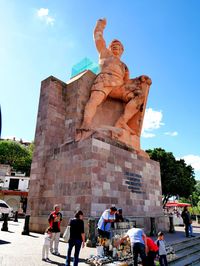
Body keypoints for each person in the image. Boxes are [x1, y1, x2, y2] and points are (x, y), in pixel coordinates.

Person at [80, 18, 151, 137]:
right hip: (104, 81)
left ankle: (121, 122)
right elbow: (98, 37)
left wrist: (140, 79)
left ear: (122, 50)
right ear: (109, 48)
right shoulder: (105, 54)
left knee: (139, 96)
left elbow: (127, 82)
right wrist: (100, 25)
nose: (116, 47)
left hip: (118, 87)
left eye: (118, 46)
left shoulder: (124, 67)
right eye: (113, 46)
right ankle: (86, 123)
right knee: (94, 101)